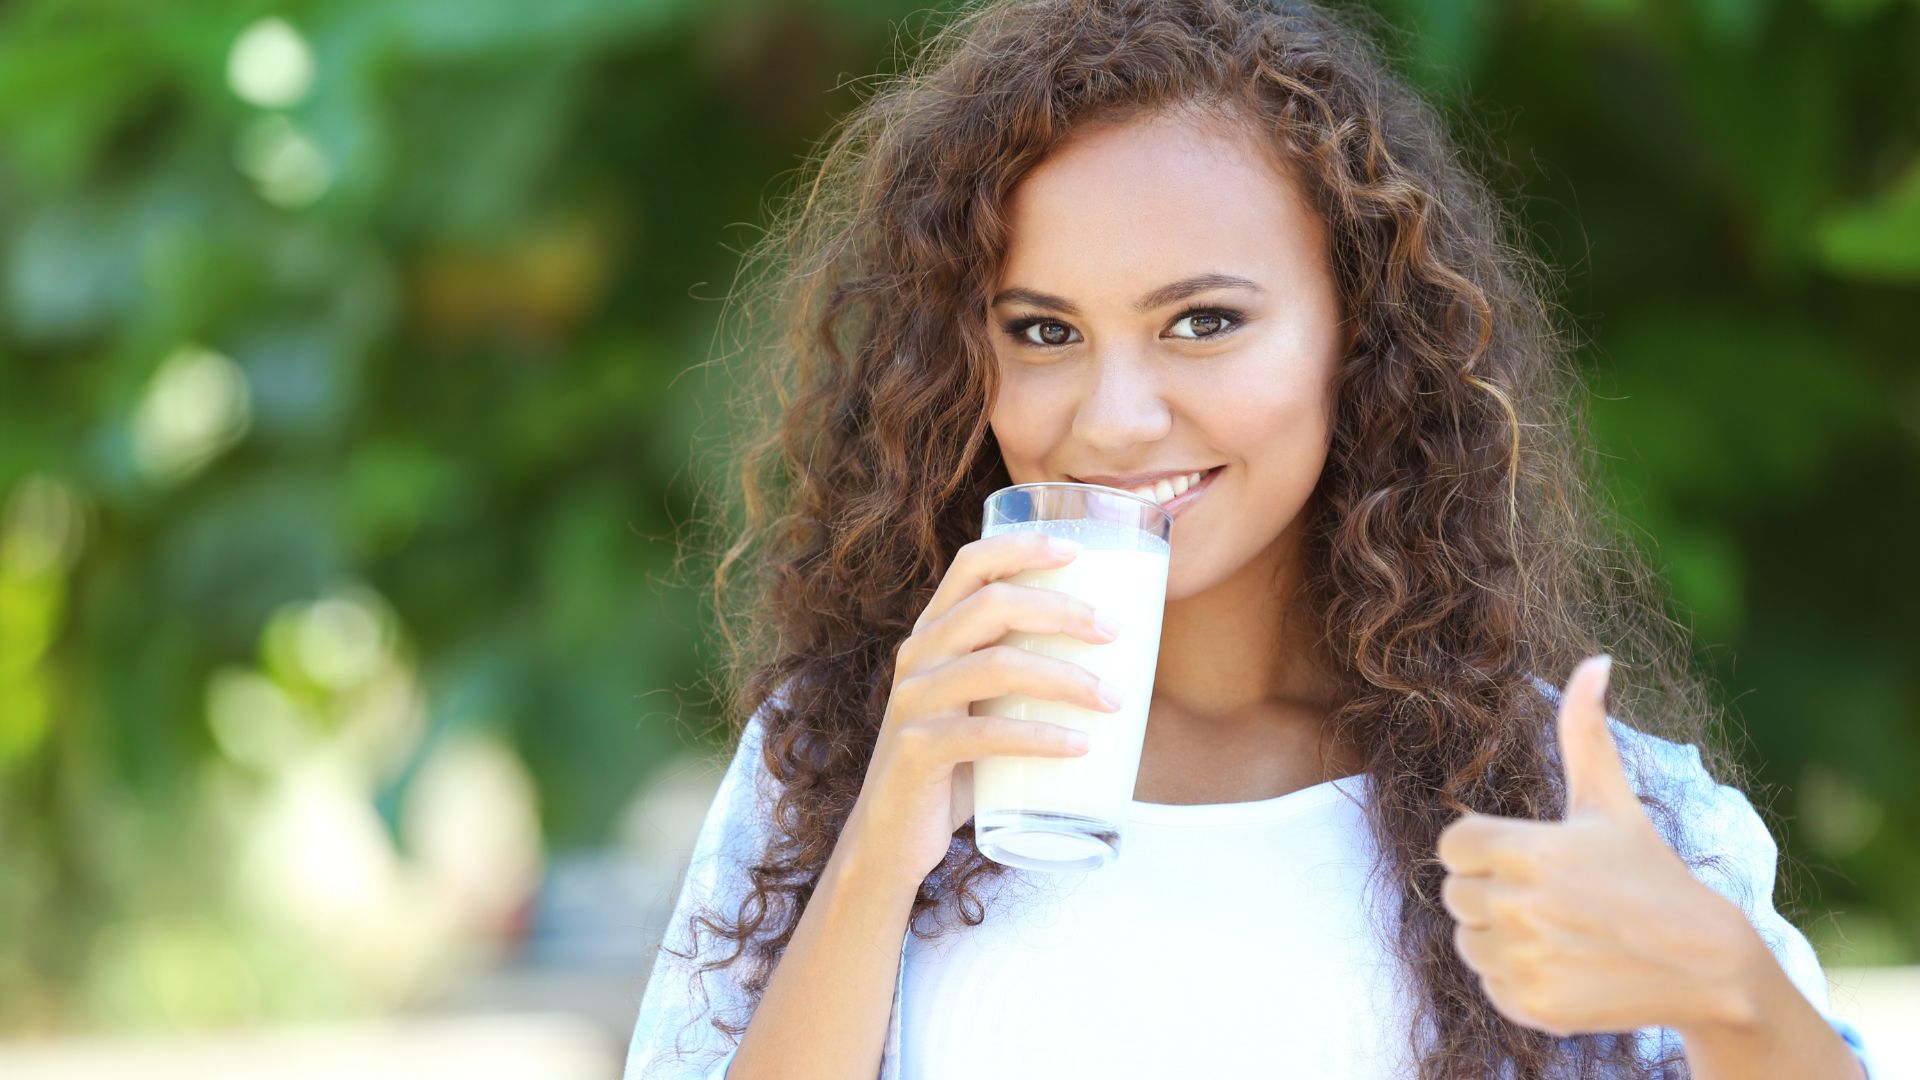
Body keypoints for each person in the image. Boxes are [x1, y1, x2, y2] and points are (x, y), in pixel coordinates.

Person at [626, 1, 1876, 1077]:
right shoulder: (835, 761)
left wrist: (1729, 988)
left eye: (1203, 322)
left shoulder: (1576, 809)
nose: (1115, 420)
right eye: (1043, 332)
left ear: (1361, 336)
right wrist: (881, 841)